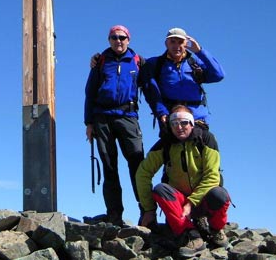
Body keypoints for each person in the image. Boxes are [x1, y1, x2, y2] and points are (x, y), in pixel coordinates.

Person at [136, 106, 231, 256]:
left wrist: (191, 202)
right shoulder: (165, 144)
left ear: (192, 123)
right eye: (174, 123)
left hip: (202, 200)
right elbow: (143, 173)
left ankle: (215, 230)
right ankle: (191, 235)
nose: (179, 127)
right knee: (161, 189)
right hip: (179, 204)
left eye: (184, 123)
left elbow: (213, 176)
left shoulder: (206, 139)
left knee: (219, 194)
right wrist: (149, 209)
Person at [84, 24, 145, 226]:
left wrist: (162, 114)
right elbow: (90, 93)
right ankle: (114, 215)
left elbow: (152, 88)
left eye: (122, 37)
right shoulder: (101, 62)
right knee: (109, 167)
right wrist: (89, 122)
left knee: (138, 165)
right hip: (102, 118)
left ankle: (146, 213)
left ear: (129, 39)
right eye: (114, 37)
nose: (118, 41)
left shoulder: (137, 62)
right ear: (109, 40)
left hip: (128, 116)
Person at [142, 27, 224, 131]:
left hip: (197, 117)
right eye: (173, 42)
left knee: (202, 143)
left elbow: (218, 75)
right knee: (170, 146)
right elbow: (150, 90)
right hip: (170, 116)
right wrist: (161, 112)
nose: (176, 46)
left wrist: (199, 51)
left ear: (186, 44)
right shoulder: (155, 64)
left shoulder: (194, 63)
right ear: (166, 43)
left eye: (180, 42)